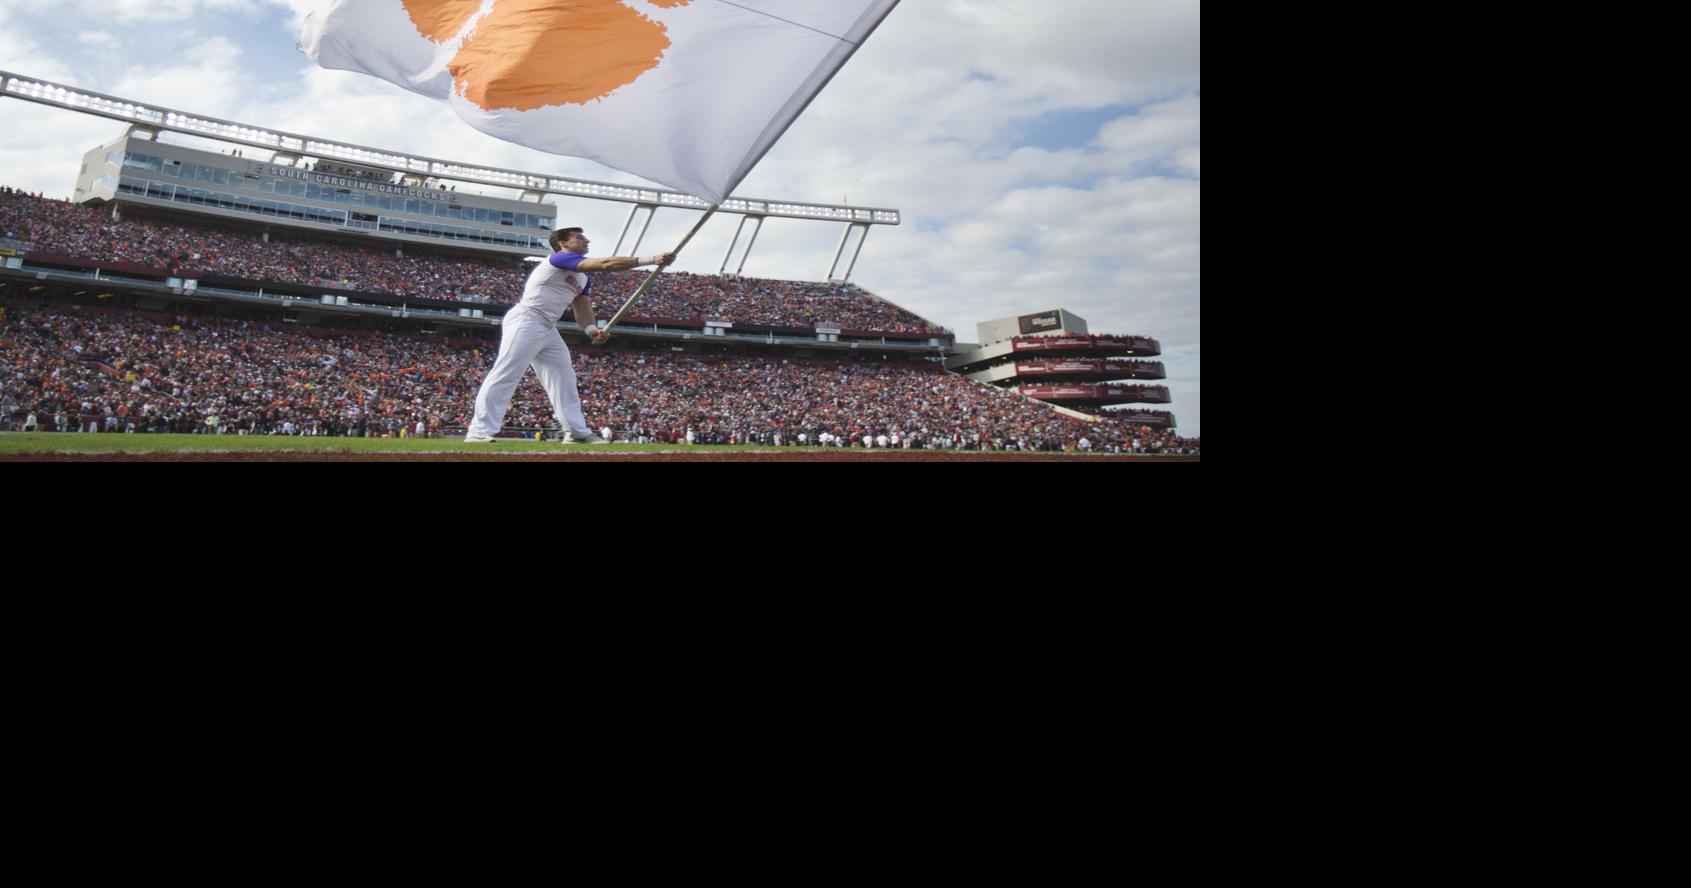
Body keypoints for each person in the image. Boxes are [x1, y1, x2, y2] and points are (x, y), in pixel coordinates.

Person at [465, 228, 673, 444]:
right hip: (527, 319)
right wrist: (652, 259)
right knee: (507, 373)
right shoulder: (559, 258)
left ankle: (575, 432)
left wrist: (591, 330)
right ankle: (479, 430)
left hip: (548, 327)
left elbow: (582, 306)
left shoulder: (583, 278)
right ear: (563, 243)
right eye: (580, 238)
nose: (587, 240)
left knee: (564, 379)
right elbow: (606, 265)